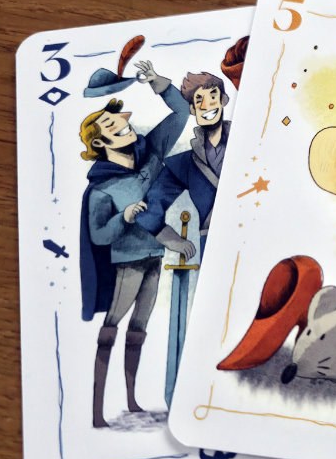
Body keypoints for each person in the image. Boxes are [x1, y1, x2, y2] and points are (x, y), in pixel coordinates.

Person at [79, 60, 192, 428]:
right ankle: (96, 411)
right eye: (114, 127)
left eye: (123, 121)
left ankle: (131, 399)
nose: (125, 126)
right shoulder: (102, 189)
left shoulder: (151, 153)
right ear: (100, 143)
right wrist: (123, 217)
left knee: (139, 329)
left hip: (154, 257)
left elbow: (181, 112)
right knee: (111, 327)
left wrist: (158, 82)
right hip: (126, 262)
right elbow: (99, 235)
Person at [136, 67, 234, 259]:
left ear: (223, 100)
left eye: (212, 96)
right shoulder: (185, 164)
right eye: (199, 100)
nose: (206, 105)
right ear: (193, 109)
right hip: (213, 245)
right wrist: (169, 237)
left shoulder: (247, 143)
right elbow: (151, 206)